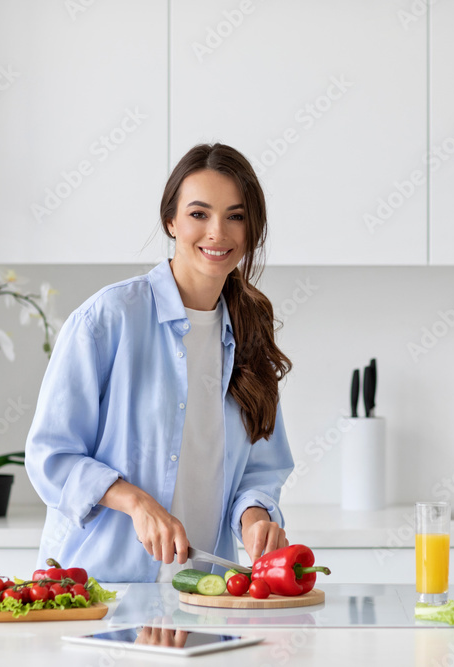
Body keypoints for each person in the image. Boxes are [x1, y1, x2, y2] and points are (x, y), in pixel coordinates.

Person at [25, 143, 295, 582]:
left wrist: (255, 518)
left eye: (236, 216)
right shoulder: (108, 320)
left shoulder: (251, 335)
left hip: (202, 594)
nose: (217, 233)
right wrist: (135, 501)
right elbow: (50, 456)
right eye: (199, 214)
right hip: (99, 591)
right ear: (171, 221)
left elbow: (262, 468)